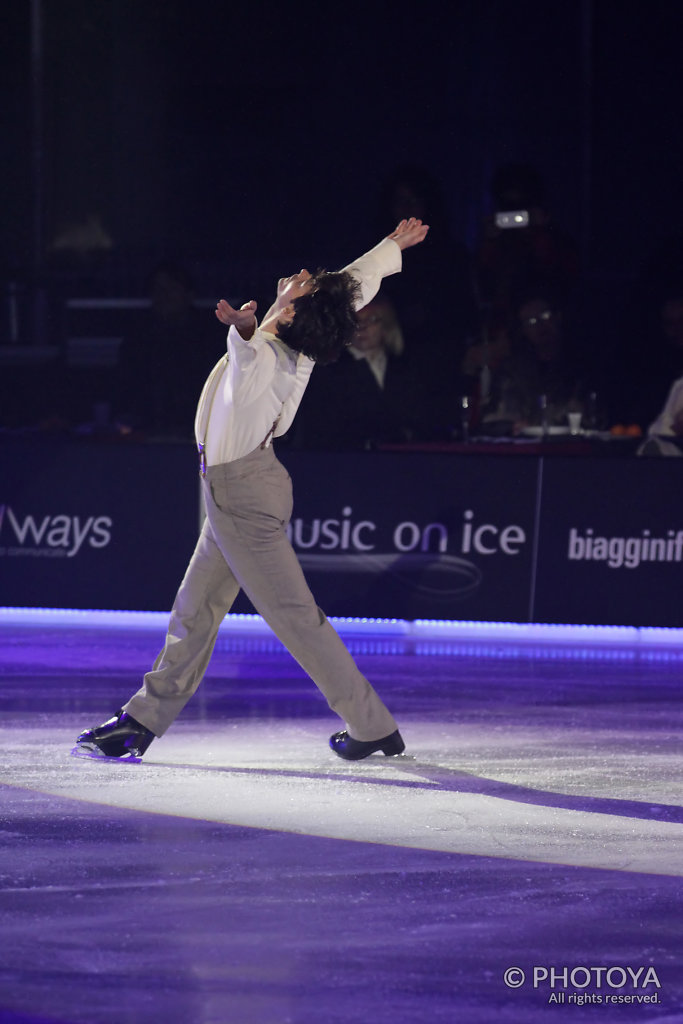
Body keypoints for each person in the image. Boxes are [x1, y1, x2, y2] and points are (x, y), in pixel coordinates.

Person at [73, 217, 429, 762]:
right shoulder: (296, 340)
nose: (300, 274)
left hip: (243, 498)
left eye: (303, 281)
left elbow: (244, 371)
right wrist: (391, 248)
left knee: (295, 620)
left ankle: (371, 724)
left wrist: (241, 332)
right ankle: (140, 722)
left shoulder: (264, 355)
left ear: (290, 309)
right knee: (194, 612)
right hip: (236, 492)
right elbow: (349, 286)